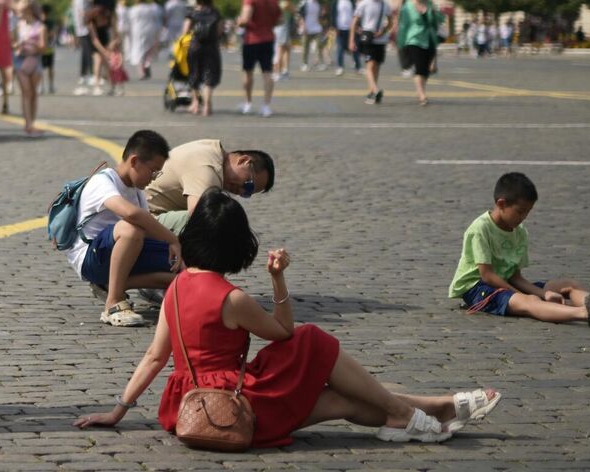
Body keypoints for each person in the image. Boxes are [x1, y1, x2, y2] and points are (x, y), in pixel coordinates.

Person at [76, 189, 489, 445]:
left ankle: (438, 407)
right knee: (310, 340)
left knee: (339, 400)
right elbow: (284, 332)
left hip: (184, 405)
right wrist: (278, 280)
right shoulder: (231, 297)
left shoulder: (176, 288)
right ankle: (421, 411)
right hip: (237, 403)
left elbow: (153, 357)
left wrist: (118, 411)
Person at [451, 171, 590, 326]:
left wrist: (542, 292)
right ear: (501, 204)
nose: (523, 217)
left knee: (567, 284)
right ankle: (584, 313)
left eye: (528, 212)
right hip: (478, 289)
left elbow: (516, 276)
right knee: (528, 303)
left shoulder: (519, 231)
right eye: (520, 212)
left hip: (506, 282)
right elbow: (487, 276)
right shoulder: (480, 229)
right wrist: (532, 296)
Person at [63, 130, 181, 327]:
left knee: (185, 269)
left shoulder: (136, 191)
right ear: (134, 161)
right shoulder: (103, 181)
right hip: (91, 258)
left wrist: (178, 251)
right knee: (131, 229)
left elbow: (148, 225)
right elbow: (132, 215)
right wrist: (172, 240)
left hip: (121, 254)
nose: (154, 177)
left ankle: (113, 284)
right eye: (153, 171)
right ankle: (113, 303)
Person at [144, 138, 275, 235]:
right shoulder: (208, 168)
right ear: (244, 161)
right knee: (214, 225)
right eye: (248, 185)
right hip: (146, 217)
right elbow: (198, 217)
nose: (241, 192)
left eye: (247, 193)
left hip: (149, 213)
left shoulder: (212, 151)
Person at [236, 0, 279, 117]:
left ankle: (248, 103)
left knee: (248, 72)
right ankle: (266, 106)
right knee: (267, 72)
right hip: (268, 38)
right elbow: (279, 19)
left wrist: (239, 21)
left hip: (252, 39)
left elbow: (245, 19)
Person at [179, 0, 224, 117]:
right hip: (211, 47)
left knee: (194, 74)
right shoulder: (215, 12)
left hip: (195, 46)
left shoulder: (193, 12)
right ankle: (207, 106)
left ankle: (195, 104)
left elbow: (185, 30)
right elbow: (220, 31)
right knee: (209, 77)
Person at [350, 0, 394, 106]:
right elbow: (354, 22)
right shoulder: (364, 3)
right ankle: (376, 89)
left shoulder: (385, 4)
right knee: (369, 65)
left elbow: (391, 21)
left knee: (376, 66)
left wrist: (383, 30)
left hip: (380, 39)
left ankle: (372, 93)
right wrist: (352, 40)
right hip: (368, 37)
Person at [398, 0, 442, 107]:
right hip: (414, 39)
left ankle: (420, 91)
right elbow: (403, 25)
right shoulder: (407, 6)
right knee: (419, 67)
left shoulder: (429, 4)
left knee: (426, 69)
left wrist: (433, 12)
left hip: (429, 39)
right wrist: (401, 41)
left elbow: (437, 20)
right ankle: (422, 95)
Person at [11, 0, 46, 136]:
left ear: (29, 10)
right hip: (21, 60)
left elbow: (43, 47)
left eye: (22, 11)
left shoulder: (41, 27)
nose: (19, 14)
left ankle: (32, 121)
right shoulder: (18, 25)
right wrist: (18, 45)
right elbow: (12, 43)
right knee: (26, 92)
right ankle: (28, 124)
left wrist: (33, 44)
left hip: (35, 60)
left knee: (33, 93)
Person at [69, 0, 95, 95]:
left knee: (85, 52)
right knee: (88, 52)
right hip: (84, 27)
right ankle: (89, 74)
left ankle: (84, 74)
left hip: (83, 27)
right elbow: (83, 13)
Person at [298, 0, 325, 72]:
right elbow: (300, 13)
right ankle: (304, 64)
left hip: (316, 28)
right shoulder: (305, 1)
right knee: (305, 47)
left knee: (320, 44)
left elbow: (318, 16)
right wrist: (303, 25)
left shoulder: (317, 4)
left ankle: (320, 63)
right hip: (307, 28)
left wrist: (322, 14)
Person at [332, 0, 355, 76]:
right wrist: (334, 27)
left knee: (351, 48)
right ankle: (340, 67)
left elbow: (354, 14)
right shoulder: (336, 1)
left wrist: (356, 26)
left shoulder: (350, 1)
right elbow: (333, 15)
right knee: (340, 48)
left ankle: (357, 65)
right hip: (340, 28)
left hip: (350, 29)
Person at [272, 0, 293, 80]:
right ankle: (279, 72)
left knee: (284, 49)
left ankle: (283, 71)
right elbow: (294, 10)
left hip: (275, 27)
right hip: (283, 27)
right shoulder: (285, 3)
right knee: (282, 49)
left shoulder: (273, 3)